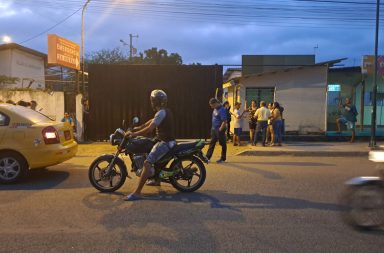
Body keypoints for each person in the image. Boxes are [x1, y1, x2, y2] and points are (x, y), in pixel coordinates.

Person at [124, 90, 176, 201]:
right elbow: (149, 122)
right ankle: (156, 179)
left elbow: (149, 129)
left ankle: (137, 193)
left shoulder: (161, 112)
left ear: (155, 101)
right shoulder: (164, 111)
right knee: (147, 147)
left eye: (152, 101)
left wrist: (134, 134)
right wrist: (136, 128)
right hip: (164, 140)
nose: (151, 103)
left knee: (147, 163)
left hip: (165, 142)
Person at [206, 98, 227, 163]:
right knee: (212, 143)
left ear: (215, 103)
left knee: (223, 144)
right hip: (214, 129)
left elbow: (224, 121)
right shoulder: (215, 108)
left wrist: (220, 129)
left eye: (211, 105)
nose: (211, 107)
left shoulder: (222, 110)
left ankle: (223, 158)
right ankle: (207, 157)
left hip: (219, 130)